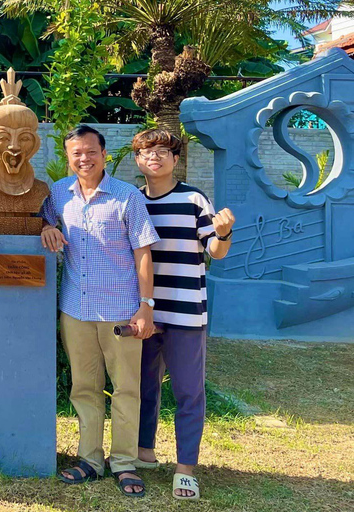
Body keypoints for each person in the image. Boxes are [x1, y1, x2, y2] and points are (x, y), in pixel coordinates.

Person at [41, 125, 159, 497]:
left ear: (103, 154)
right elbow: (41, 219)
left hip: (122, 311)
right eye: (76, 153)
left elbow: (143, 253)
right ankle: (90, 459)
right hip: (75, 309)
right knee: (84, 388)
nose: (84, 159)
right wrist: (47, 226)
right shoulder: (58, 193)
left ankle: (123, 462)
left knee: (126, 389)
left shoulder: (126, 197)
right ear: (68, 156)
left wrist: (146, 307)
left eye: (90, 151)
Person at [132, 129, 234, 500]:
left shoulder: (193, 198)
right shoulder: (133, 199)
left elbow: (216, 252)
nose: (154, 157)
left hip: (186, 312)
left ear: (176, 159)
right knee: (142, 386)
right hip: (144, 312)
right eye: (146, 152)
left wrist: (223, 234)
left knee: (188, 391)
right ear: (138, 160)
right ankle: (144, 452)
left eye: (163, 151)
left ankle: (185, 468)